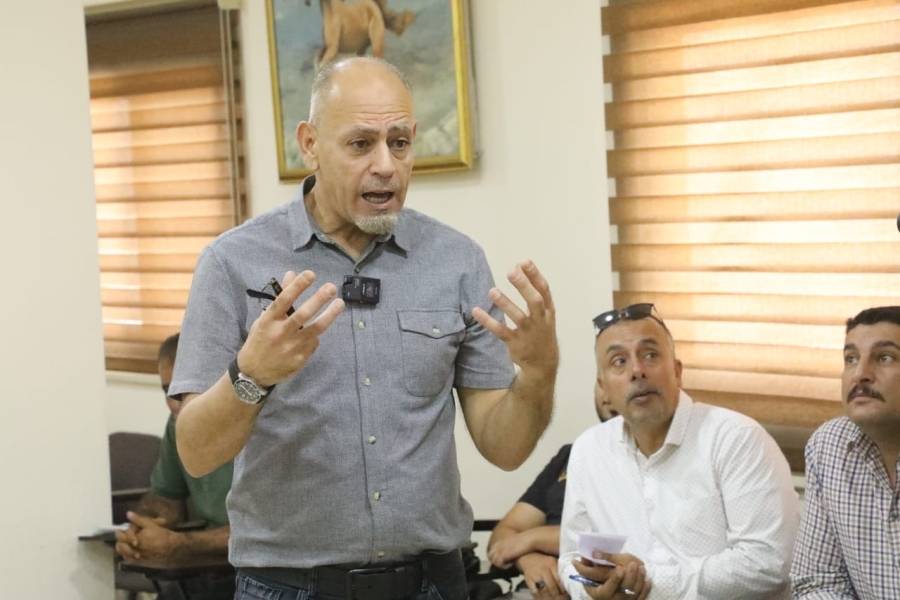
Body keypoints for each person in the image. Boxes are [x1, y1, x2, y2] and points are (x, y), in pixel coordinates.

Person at [170, 56, 559, 600]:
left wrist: (538, 372)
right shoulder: (233, 263)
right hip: (290, 588)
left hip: (432, 583)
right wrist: (252, 374)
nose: (386, 166)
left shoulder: (457, 261)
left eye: (399, 143)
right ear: (309, 144)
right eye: (360, 144)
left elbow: (506, 449)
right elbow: (195, 452)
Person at [559, 303, 800, 600]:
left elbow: (768, 564)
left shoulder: (736, 438)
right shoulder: (588, 450)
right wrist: (593, 590)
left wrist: (647, 582)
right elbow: (570, 558)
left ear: (677, 371)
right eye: (619, 361)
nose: (637, 371)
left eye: (650, 355)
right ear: (603, 389)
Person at [791, 306, 900, 599]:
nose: (860, 374)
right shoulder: (829, 446)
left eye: (885, 357)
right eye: (851, 359)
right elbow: (817, 580)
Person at [115, 333, 234, 600]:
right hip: (209, 567)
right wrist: (140, 529)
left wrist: (180, 544)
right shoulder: (178, 425)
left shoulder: (259, 425)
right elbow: (166, 500)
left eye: (185, 390)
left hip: (258, 568)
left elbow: (261, 533)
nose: (176, 404)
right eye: (168, 391)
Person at [486, 385, 617, 600]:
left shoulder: (649, 461)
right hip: (534, 591)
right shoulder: (571, 454)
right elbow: (504, 534)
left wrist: (533, 538)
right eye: (601, 382)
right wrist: (528, 559)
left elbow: (621, 539)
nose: (607, 394)